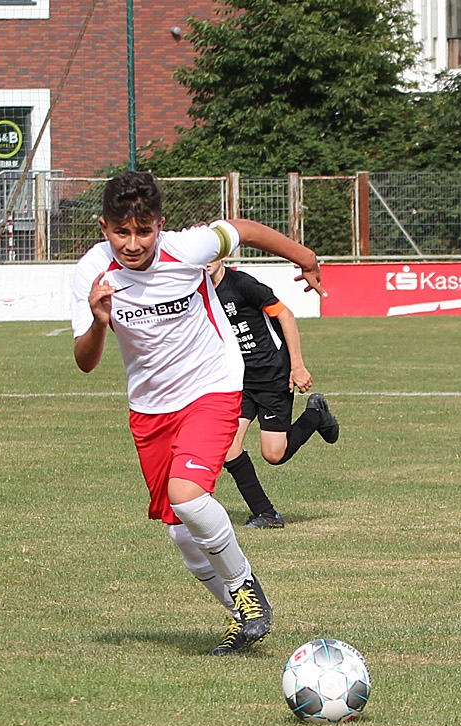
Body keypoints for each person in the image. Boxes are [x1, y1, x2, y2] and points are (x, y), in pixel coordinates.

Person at [71, 171, 325, 656]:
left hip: (213, 385)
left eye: (143, 230)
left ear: (159, 226)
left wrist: (307, 259)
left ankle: (247, 591)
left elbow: (244, 229)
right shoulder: (91, 274)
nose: (132, 243)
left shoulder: (187, 248)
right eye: (121, 232)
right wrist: (100, 322)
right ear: (104, 228)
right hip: (150, 407)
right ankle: (240, 618)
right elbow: (85, 361)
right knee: (180, 530)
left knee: (188, 497)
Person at [211, 260, 340, 530]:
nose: (206, 261)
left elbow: (286, 316)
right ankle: (266, 514)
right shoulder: (198, 291)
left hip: (272, 375)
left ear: (221, 254)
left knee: (274, 454)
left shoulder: (242, 284)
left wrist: (297, 366)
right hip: (237, 380)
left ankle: (316, 414)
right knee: (227, 447)